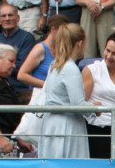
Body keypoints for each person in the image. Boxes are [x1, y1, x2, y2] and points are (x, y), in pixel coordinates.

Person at [38, 22, 91, 158]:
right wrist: (96, 108)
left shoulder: (55, 64)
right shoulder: (70, 68)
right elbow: (78, 104)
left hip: (52, 124)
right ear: (79, 43)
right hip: (66, 126)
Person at [82, 32, 115, 158]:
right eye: (107, 50)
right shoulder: (91, 70)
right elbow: (81, 102)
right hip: (94, 128)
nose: (109, 56)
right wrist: (93, 107)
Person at [0, 4, 36, 97]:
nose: (7, 19)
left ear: (18, 18)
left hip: (20, 89)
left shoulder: (27, 38)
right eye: (3, 16)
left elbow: (21, 66)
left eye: (10, 15)